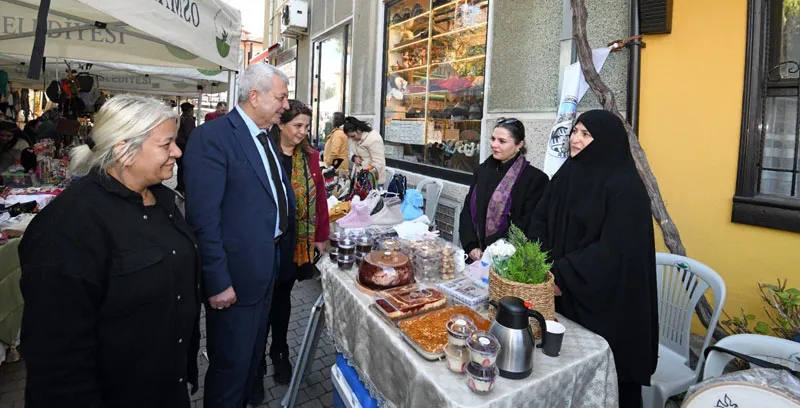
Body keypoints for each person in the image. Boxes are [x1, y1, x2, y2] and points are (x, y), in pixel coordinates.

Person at [19, 95, 200, 408]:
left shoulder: (162, 201)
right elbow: (57, 362)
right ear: (124, 151)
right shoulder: (67, 227)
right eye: (166, 144)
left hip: (166, 387)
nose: (177, 151)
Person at [528, 110, 658, 408]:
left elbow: (614, 250)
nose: (575, 139)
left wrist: (563, 275)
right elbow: (541, 217)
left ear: (607, 141)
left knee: (603, 378)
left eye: (586, 134)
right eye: (575, 131)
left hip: (604, 302)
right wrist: (539, 262)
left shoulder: (626, 187)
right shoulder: (569, 173)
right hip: (562, 292)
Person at [183, 63, 296, 408]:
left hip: (266, 267)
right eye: (281, 98)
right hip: (234, 277)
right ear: (255, 96)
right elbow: (204, 219)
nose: (286, 106)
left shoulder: (264, 136)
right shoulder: (213, 137)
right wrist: (217, 282)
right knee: (230, 368)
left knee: (250, 360)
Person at [249, 100, 330, 403]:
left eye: (307, 126)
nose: (303, 132)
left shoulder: (310, 157)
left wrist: (320, 236)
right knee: (260, 306)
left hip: (294, 243)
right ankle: (255, 366)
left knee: (282, 300)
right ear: (280, 125)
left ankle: (280, 352)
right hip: (263, 243)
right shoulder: (262, 152)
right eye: (297, 125)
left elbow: (320, 198)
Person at [459, 118, 548, 261]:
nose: (494, 144)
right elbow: (468, 210)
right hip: (475, 255)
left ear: (519, 144)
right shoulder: (482, 171)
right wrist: (471, 246)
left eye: (502, 141)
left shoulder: (535, 179)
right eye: (493, 139)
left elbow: (526, 224)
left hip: (508, 258)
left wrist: (492, 249)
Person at [343, 116, 386, 184]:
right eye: (350, 137)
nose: (352, 139)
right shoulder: (353, 138)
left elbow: (378, 163)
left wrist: (366, 176)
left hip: (373, 180)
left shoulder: (374, 138)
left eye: (353, 136)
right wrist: (354, 157)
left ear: (358, 130)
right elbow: (350, 151)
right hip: (359, 176)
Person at [176, 102, 196, 193]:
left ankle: (180, 186)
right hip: (185, 146)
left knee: (180, 167)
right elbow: (190, 135)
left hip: (179, 145)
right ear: (189, 111)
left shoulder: (179, 119)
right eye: (192, 110)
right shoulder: (188, 120)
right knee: (185, 167)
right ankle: (183, 187)